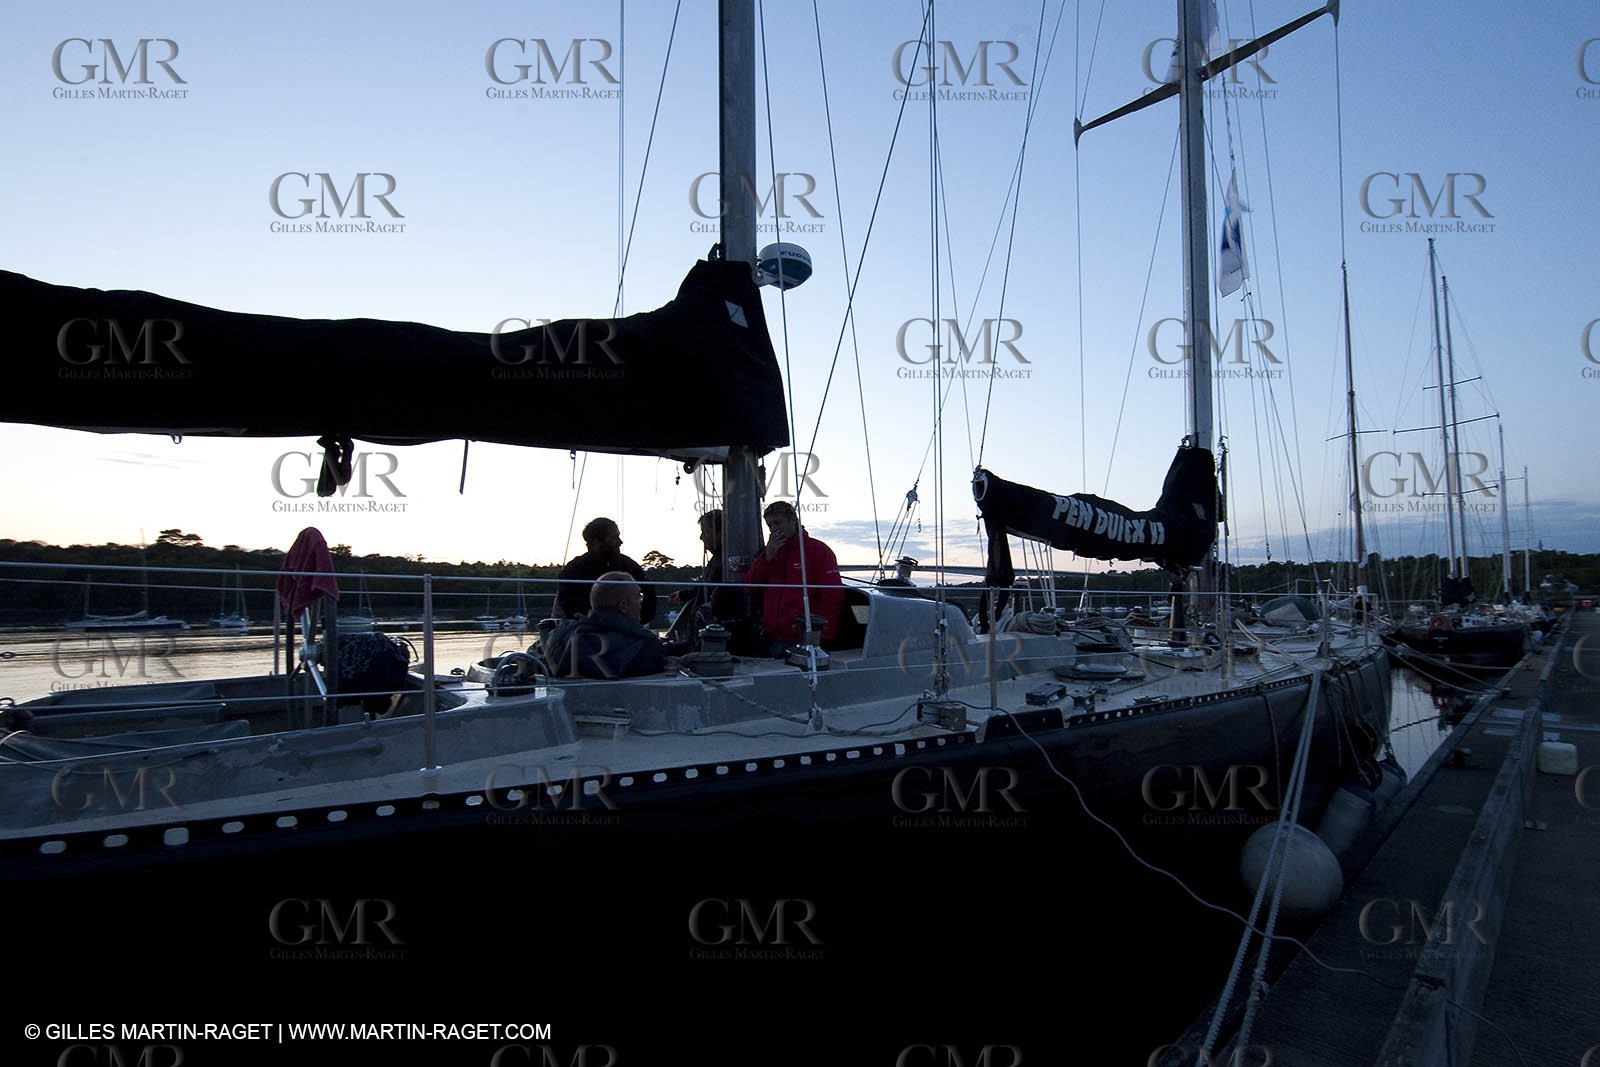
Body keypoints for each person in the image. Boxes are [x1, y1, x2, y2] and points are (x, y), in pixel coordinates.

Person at [745, 501, 844, 656]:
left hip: (802, 639)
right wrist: (767, 559)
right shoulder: (769, 554)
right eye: (770, 525)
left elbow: (832, 595)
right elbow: (751, 588)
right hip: (770, 636)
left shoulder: (818, 551)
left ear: (793, 521)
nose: (774, 529)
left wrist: (822, 636)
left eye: (778, 522)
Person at [543, 572, 668, 679]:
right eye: (639, 596)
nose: (641, 602)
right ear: (624, 605)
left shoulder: (559, 635)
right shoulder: (646, 646)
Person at [554, 517, 656, 623]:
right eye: (614, 537)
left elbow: (648, 592)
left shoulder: (628, 565)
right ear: (597, 541)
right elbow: (569, 606)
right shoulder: (573, 570)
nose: (620, 542)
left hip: (627, 630)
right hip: (589, 631)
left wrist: (637, 623)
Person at [668, 509, 748, 633]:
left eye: (705, 532)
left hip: (715, 632)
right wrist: (684, 594)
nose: (701, 537)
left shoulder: (725, 563)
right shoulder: (716, 560)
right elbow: (704, 586)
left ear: (720, 533)